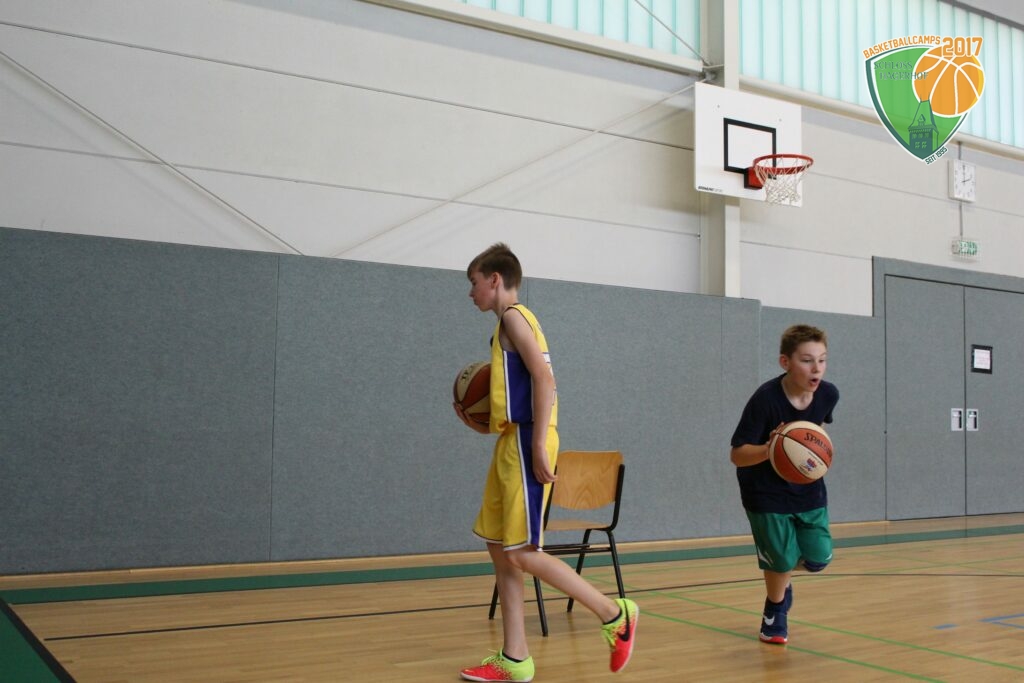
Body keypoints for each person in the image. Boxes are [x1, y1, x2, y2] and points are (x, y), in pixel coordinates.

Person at [454, 243, 638, 682]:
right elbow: (519, 389)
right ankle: (515, 657)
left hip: (527, 440)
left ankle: (614, 614)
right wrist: (486, 419)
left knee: (523, 552)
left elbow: (544, 378)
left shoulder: (514, 318)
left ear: (494, 279)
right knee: (499, 546)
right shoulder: (512, 321)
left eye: (474, 282)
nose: (471, 292)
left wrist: (537, 443)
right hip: (512, 439)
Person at [729, 324, 839, 645]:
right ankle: (774, 612)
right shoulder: (765, 400)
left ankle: (783, 577)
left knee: (819, 558)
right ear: (785, 362)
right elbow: (737, 454)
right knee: (779, 559)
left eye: (822, 360)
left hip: (807, 488)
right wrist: (773, 448)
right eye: (807, 360)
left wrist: (815, 453)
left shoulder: (829, 395)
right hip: (765, 491)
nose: (816, 368)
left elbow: (815, 434)